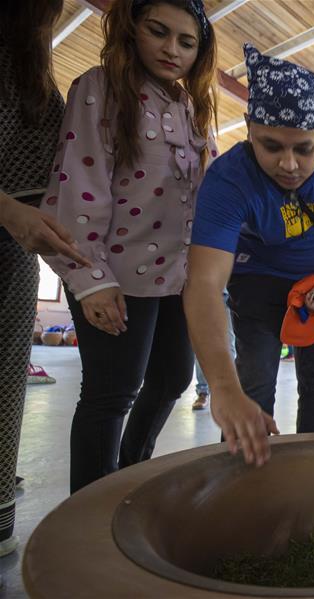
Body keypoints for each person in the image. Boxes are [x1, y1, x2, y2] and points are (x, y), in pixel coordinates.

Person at [40, 0, 218, 493]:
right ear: (132, 29)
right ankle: (90, 508)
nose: (171, 49)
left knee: (174, 378)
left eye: (186, 42)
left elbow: (207, 194)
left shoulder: (190, 107)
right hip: (116, 275)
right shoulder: (99, 89)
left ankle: (128, 476)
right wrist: (90, 280)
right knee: (111, 392)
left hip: (178, 278)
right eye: (158, 32)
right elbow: (79, 186)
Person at [184, 43, 314, 460]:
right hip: (257, 281)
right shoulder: (228, 180)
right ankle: (245, 487)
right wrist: (222, 387)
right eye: (270, 146)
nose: (288, 165)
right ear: (248, 128)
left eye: (303, 148)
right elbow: (203, 282)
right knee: (251, 386)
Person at [1, 2, 91, 552]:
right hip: (12, 231)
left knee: (6, 377)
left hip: (11, 259)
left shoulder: (31, 71)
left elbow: (51, 182)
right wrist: (11, 212)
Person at [192, 291, 235, 410]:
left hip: (231, 292)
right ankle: (203, 391)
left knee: (228, 344)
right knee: (203, 344)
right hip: (205, 292)